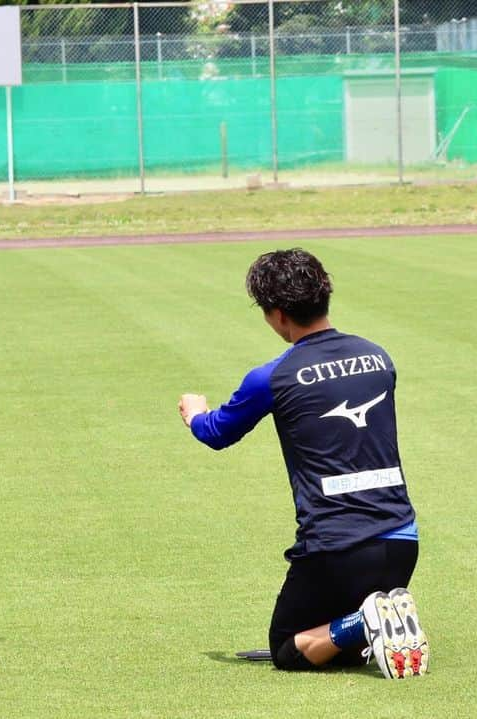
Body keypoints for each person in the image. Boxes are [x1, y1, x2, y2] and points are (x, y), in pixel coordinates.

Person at [177, 248, 428, 678]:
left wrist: (195, 412)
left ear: (277, 314)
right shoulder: (378, 357)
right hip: (402, 542)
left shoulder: (274, 376)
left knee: (288, 649)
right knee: (337, 649)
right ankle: (374, 619)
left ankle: (366, 620)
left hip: (336, 549)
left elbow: (217, 433)